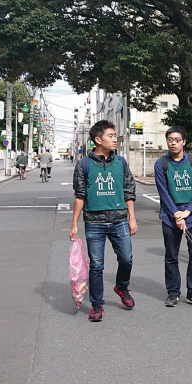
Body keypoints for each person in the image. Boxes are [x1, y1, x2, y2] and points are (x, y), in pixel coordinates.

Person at [70, 120, 137, 322]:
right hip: (94, 223)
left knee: (126, 259)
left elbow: (129, 191)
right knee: (97, 265)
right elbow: (80, 195)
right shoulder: (84, 164)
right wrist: (74, 224)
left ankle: (121, 287)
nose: (115, 139)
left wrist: (132, 218)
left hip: (119, 221)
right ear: (98, 140)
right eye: (110, 136)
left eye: (115, 136)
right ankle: (97, 304)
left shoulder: (121, 163)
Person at [155, 127, 192, 308]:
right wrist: (177, 215)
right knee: (171, 256)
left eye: (177, 139)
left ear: (184, 141)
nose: (173, 143)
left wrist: (187, 212)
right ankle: (173, 292)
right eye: (170, 139)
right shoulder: (161, 163)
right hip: (171, 216)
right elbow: (163, 193)